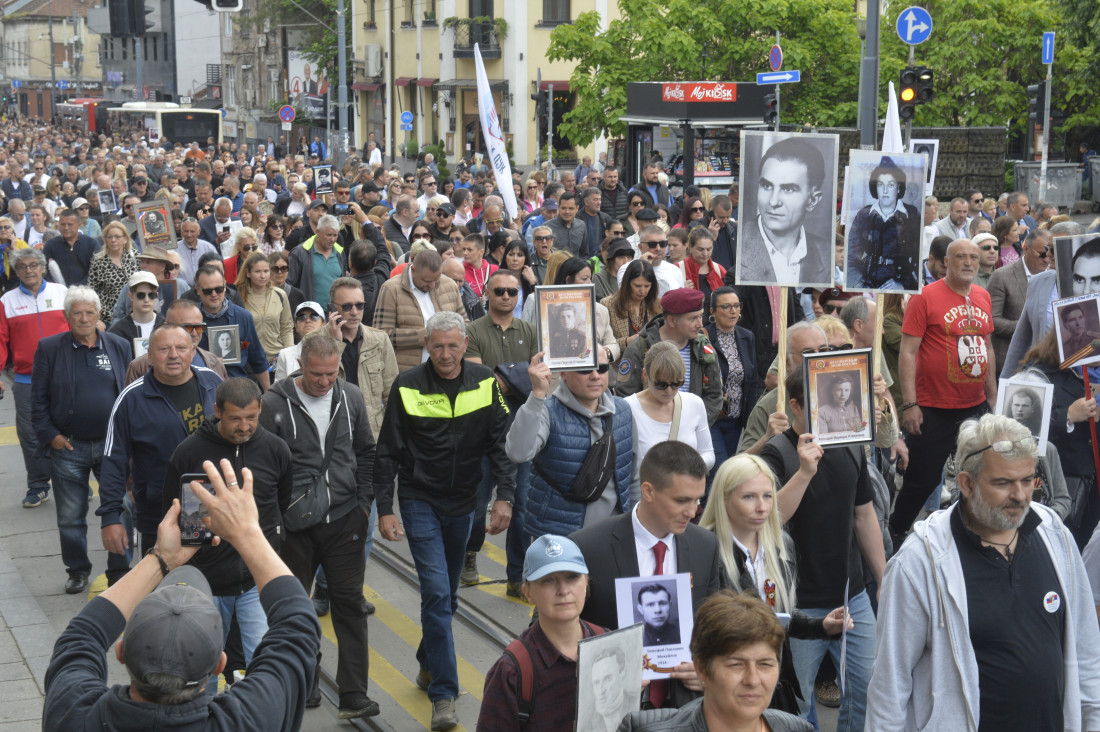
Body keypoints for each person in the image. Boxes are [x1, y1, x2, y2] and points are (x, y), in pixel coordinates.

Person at [42, 459, 321, 732]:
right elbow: (299, 627)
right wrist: (247, 532)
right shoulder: (251, 720)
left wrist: (161, 559)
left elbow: (81, 636)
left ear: (120, 652)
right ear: (218, 665)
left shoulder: (73, 715)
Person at [867, 414, 1100, 732]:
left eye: (1027, 480)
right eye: (1003, 483)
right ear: (966, 483)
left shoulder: (1054, 535)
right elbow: (888, 690)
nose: (1019, 495)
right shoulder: (920, 563)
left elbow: (1087, 653)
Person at [375, 311, 514, 731]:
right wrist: (385, 508)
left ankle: (427, 661)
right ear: (426, 344)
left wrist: (504, 497)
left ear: (466, 343)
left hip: (465, 503)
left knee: (447, 597)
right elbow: (387, 452)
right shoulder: (407, 385)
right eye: (437, 346)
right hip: (419, 500)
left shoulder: (488, 383)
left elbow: (501, 444)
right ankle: (444, 694)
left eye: (453, 345)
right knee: (436, 594)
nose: (446, 354)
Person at [260, 332, 380, 718]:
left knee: (350, 606)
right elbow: (264, 466)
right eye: (317, 375)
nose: (324, 382)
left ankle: (353, 694)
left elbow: (366, 452)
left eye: (331, 374)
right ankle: (305, 680)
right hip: (294, 527)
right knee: (295, 609)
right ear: (300, 366)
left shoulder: (351, 398)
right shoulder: (273, 404)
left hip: (345, 520)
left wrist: (364, 505)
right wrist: (275, 522)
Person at [759, 366, 885, 732]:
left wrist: (883, 574)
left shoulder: (850, 445)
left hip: (852, 595)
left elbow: (863, 516)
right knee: (795, 707)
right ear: (796, 406)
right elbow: (769, 520)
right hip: (799, 604)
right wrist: (804, 472)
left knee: (868, 691)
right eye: (818, 402)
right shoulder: (777, 453)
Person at [570, 441, 726, 710]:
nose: (692, 512)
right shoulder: (588, 547)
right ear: (648, 491)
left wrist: (708, 668)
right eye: (681, 500)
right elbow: (553, 628)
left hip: (683, 709)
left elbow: (716, 624)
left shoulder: (706, 546)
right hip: (611, 707)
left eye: (697, 499)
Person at [161, 378, 293, 692]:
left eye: (251, 417)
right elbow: (173, 508)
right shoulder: (189, 451)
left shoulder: (276, 449)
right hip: (205, 583)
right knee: (201, 669)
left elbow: (281, 503)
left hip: (254, 581)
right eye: (235, 418)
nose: (244, 426)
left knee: (264, 662)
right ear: (217, 411)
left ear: (260, 408)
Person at [699, 454, 848, 715]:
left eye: (768, 496)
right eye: (749, 497)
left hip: (774, 685)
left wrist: (821, 625)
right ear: (724, 499)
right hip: (728, 690)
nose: (762, 507)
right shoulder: (706, 551)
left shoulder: (780, 545)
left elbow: (778, 616)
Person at [891, 238, 997, 539]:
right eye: (961, 257)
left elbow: (987, 346)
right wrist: (910, 405)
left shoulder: (983, 296)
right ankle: (896, 532)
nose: (968, 263)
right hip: (933, 407)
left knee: (977, 475)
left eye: (973, 258)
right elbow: (908, 352)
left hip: (974, 405)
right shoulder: (924, 297)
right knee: (922, 479)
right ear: (945, 262)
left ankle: (969, 534)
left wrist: (992, 393)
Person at [31, 286, 133, 593]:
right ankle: (77, 569)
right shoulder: (49, 348)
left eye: (90, 312)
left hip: (112, 446)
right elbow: (37, 401)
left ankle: (120, 568)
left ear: (100, 314)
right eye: (77, 312)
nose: (84, 318)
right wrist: (52, 437)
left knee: (122, 507)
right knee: (70, 516)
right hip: (68, 447)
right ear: (66, 317)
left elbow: (129, 394)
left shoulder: (118, 345)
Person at [617, 592, 813, 732]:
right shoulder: (642, 728)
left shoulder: (798, 728)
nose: (753, 680)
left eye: (765, 664)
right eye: (736, 664)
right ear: (702, 668)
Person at [460, 269, 539, 594]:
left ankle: (516, 577)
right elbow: (481, 381)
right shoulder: (473, 331)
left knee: (521, 507)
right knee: (477, 504)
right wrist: (521, 376)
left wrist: (508, 378)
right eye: (500, 291)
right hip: (482, 432)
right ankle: (469, 553)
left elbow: (541, 374)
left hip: (523, 429)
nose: (506, 296)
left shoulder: (530, 331)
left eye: (512, 291)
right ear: (487, 295)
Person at [477, 534, 603, 732]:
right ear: (528, 593)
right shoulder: (512, 672)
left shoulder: (608, 644)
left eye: (572, 577)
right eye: (548, 580)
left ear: (586, 582)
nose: (563, 590)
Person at [508, 346, 636, 540]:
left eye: (601, 368)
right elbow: (518, 452)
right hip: (560, 538)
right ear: (564, 374)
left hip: (614, 537)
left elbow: (634, 478)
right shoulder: (546, 411)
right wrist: (536, 395)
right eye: (585, 369)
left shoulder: (623, 410)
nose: (595, 375)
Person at [1, 247, 69, 507]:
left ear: (43, 268)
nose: (28, 270)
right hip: (26, 380)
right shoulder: (7, 301)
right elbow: (0, 339)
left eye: (33, 265)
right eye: (22, 267)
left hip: (63, 376)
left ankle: (72, 481)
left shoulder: (61, 293)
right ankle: (38, 485)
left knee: (67, 431)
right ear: (16, 271)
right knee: (30, 434)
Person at [617, 288, 724, 427]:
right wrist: (649, 424)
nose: (700, 324)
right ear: (672, 321)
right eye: (692, 318)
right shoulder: (640, 348)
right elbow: (625, 395)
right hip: (650, 429)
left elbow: (714, 395)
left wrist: (695, 424)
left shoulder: (703, 348)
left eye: (700, 316)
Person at [739, 137, 832, 286]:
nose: (773, 201)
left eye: (788, 189)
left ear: (812, 200)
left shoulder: (827, 254)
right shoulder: (736, 245)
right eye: (767, 186)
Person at [372, 248, 465, 372]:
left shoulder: (449, 285)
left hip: (447, 371)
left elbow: (465, 324)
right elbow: (380, 336)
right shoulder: (391, 289)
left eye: (436, 280)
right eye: (427, 281)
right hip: (407, 372)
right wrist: (428, 336)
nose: (432, 285)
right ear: (413, 270)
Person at [625, 340, 715, 469]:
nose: (668, 391)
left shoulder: (694, 403)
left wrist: (687, 466)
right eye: (660, 384)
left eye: (676, 384)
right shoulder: (628, 408)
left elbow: (708, 454)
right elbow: (622, 463)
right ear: (645, 375)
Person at [846, 156, 921, 290]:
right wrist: (860, 285)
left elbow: (918, 258)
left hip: (898, 284)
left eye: (890, 185)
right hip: (867, 283)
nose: (885, 191)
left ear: (898, 188)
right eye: (880, 185)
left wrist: (903, 285)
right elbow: (850, 256)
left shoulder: (912, 215)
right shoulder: (864, 215)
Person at [705, 286, 758, 466]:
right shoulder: (703, 337)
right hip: (712, 418)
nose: (733, 311)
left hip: (737, 419)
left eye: (737, 305)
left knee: (733, 466)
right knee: (719, 469)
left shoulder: (746, 336)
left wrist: (750, 420)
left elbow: (752, 380)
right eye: (726, 306)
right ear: (712, 311)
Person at [193, 264, 271, 389]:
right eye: (208, 291)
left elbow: (258, 360)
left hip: (238, 388)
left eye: (218, 289)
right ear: (198, 289)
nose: (214, 294)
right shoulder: (190, 318)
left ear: (225, 286)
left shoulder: (243, 316)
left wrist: (268, 394)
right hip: (202, 389)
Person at [988, 227, 1051, 376]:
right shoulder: (1002, 276)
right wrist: (1026, 326)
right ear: (1027, 249)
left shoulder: (1054, 277)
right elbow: (991, 320)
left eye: (1050, 254)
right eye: (1042, 254)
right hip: (1008, 364)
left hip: (1043, 366)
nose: (1047, 259)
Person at [125, 299, 228, 383]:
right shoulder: (139, 367)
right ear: (166, 325)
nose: (194, 333)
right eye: (187, 327)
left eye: (199, 327)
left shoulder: (214, 363)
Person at [236, 252, 293, 363]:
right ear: (248, 273)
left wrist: (288, 353)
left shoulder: (280, 295)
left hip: (277, 359)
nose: (263, 276)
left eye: (266, 271)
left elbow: (286, 327)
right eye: (257, 271)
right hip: (249, 361)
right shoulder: (238, 296)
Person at [88, 221, 139, 322]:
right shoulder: (98, 261)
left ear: (125, 239)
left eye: (117, 237)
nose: (113, 240)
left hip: (134, 314)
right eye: (109, 237)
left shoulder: (135, 257)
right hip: (109, 317)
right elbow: (92, 291)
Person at [108, 271, 165, 359]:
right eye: (141, 295)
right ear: (130, 296)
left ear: (156, 296)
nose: (146, 299)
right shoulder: (117, 331)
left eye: (151, 295)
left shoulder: (166, 326)